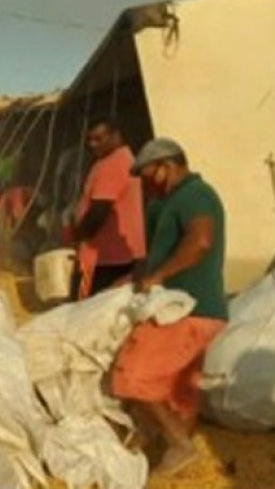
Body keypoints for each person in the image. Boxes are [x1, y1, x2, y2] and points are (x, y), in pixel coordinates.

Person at [111, 137, 228, 477]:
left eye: (150, 175)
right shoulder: (166, 202)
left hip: (186, 308)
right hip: (186, 308)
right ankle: (179, 463)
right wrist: (134, 278)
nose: (147, 184)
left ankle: (179, 446)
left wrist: (158, 277)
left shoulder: (196, 195)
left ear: (168, 164)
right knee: (177, 389)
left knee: (131, 377)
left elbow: (201, 242)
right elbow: (154, 256)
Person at [69, 117, 146, 298]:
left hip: (105, 257)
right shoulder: (117, 160)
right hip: (117, 254)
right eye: (89, 140)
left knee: (86, 310)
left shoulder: (114, 163)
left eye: (98, 138)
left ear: (115, 136)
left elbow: (100, 210)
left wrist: (79, 235)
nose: (93, 144)